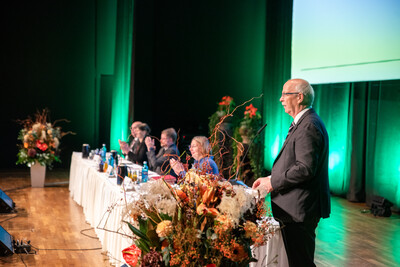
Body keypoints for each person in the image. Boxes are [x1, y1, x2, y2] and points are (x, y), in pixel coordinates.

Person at [252, 78, 330, 267]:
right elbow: (295, 163)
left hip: (300, 208)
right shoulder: (303, 122)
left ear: (300, 97)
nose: (280, 99)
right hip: (295, 207)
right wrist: (269, 177)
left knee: (300, 262)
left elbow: (304, 168)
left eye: (285, 94)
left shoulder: (309, 125)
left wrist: (273, 183)